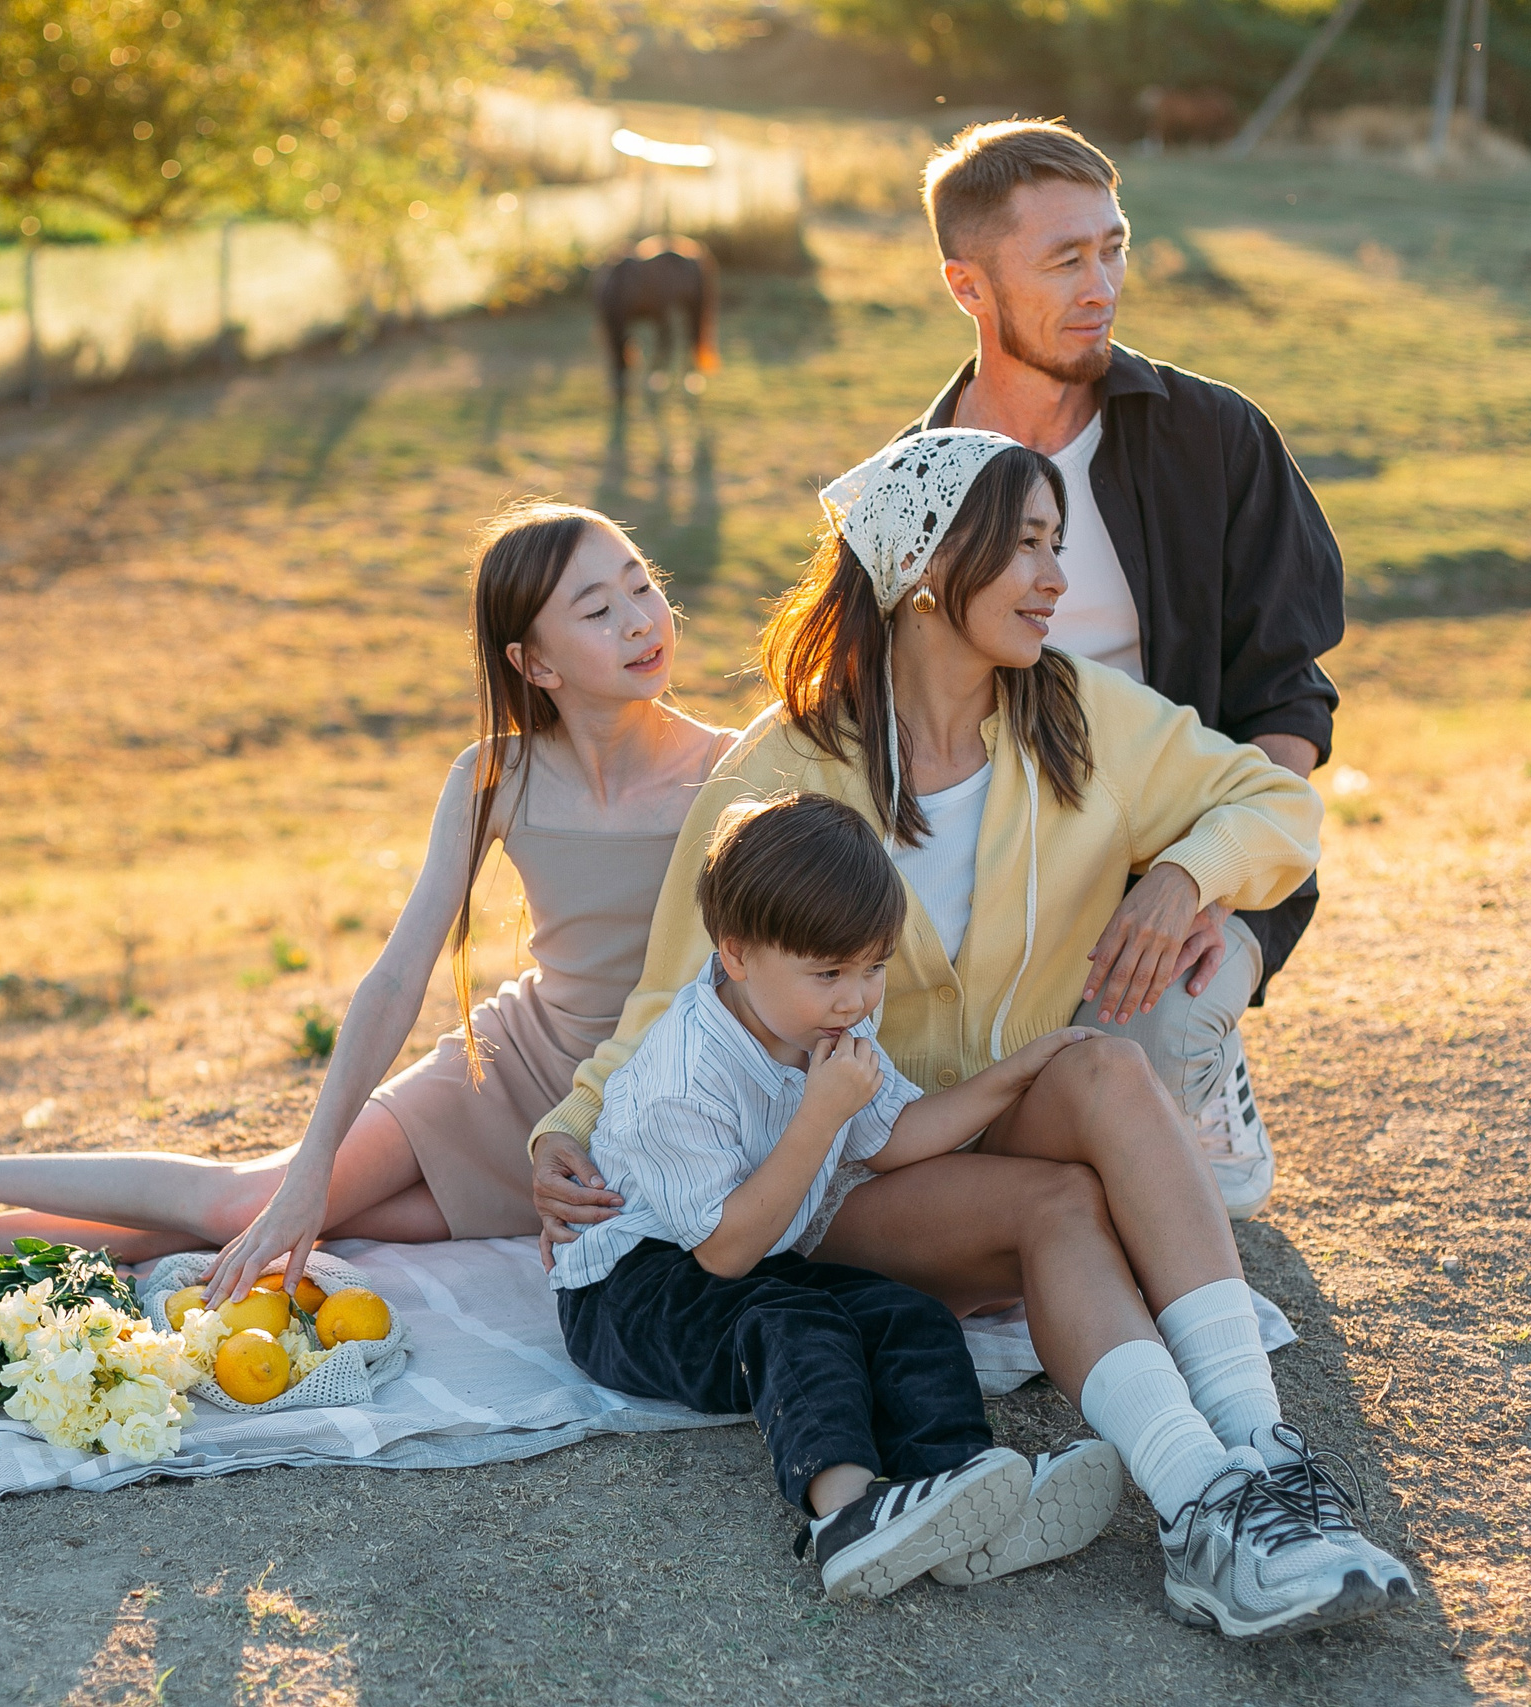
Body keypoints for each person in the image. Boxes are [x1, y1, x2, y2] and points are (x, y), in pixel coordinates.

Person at [536, 428, 1416, 1636]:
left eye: (1059, 545)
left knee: (1103, 1067)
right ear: (924, 565)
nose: (1055, 578)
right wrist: (566, 1126)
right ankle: (1203, 1509)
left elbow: (1274, 802)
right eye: (1024, 548)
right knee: (1056, 1205)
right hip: (848, 1154)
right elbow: (672, 992)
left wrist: (1184, 878)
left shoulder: (1082, 716)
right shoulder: (781, 769)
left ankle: (1265, 1461)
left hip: (993, 1104)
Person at [0, 500, 733, 1301]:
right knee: (268, 1194)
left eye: (640, 586)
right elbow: (396, 977)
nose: (641, 620)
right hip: (511, 1070)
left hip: (624, 1109)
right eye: (598, 610)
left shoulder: (732, 775)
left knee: (301, 1215)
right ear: (535, 662)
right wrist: (314, 1159)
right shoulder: (496, 773)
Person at [900, 118, 1348, 1220]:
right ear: (969, 284)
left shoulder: (1216, 439)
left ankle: (1197, 1048)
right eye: (1063, 260)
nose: (1100, 284)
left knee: (1178, 1168)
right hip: (992, 864)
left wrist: (1207, 877)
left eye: (1113, 247)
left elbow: (1287, 691)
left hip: (1181, 849)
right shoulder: (917, 483)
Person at [552, 791, 1115, 1602]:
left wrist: (1021, 1072)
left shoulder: (823, 1024)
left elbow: (891, 1134)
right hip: (636, 1285)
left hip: (748, 1254)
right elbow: (727, 1252)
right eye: (829, 973)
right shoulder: (680, 1080)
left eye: (873, 968)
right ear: (737, 953)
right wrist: (820, 1113)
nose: (857, 997)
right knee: (797, 1322)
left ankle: (961, 1490)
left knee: (905, 1311)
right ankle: (845, 1514)